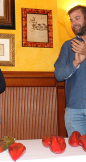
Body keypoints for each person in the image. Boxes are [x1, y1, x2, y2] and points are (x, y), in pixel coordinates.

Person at [54, 5, 86, 137]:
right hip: (74, 112)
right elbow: (59, 75)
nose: (74, 23)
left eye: (77, 18)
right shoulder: (68, 46)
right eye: (72, 20)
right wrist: (75, 63)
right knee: (76, 154)